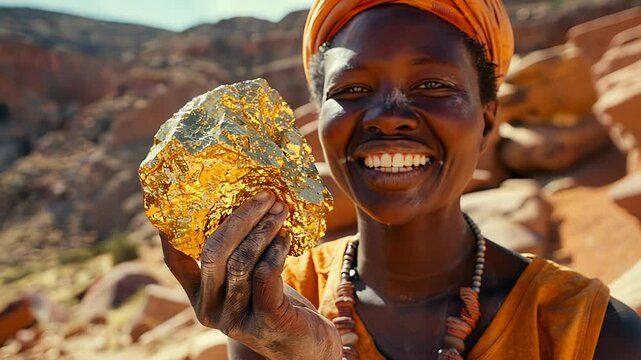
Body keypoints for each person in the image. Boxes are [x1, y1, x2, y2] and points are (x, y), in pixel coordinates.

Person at [160, 1, 641, 359]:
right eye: (352, 90)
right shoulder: (276, 303)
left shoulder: (588, 332)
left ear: (488, 122)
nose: (388, 117)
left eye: (432, 85)